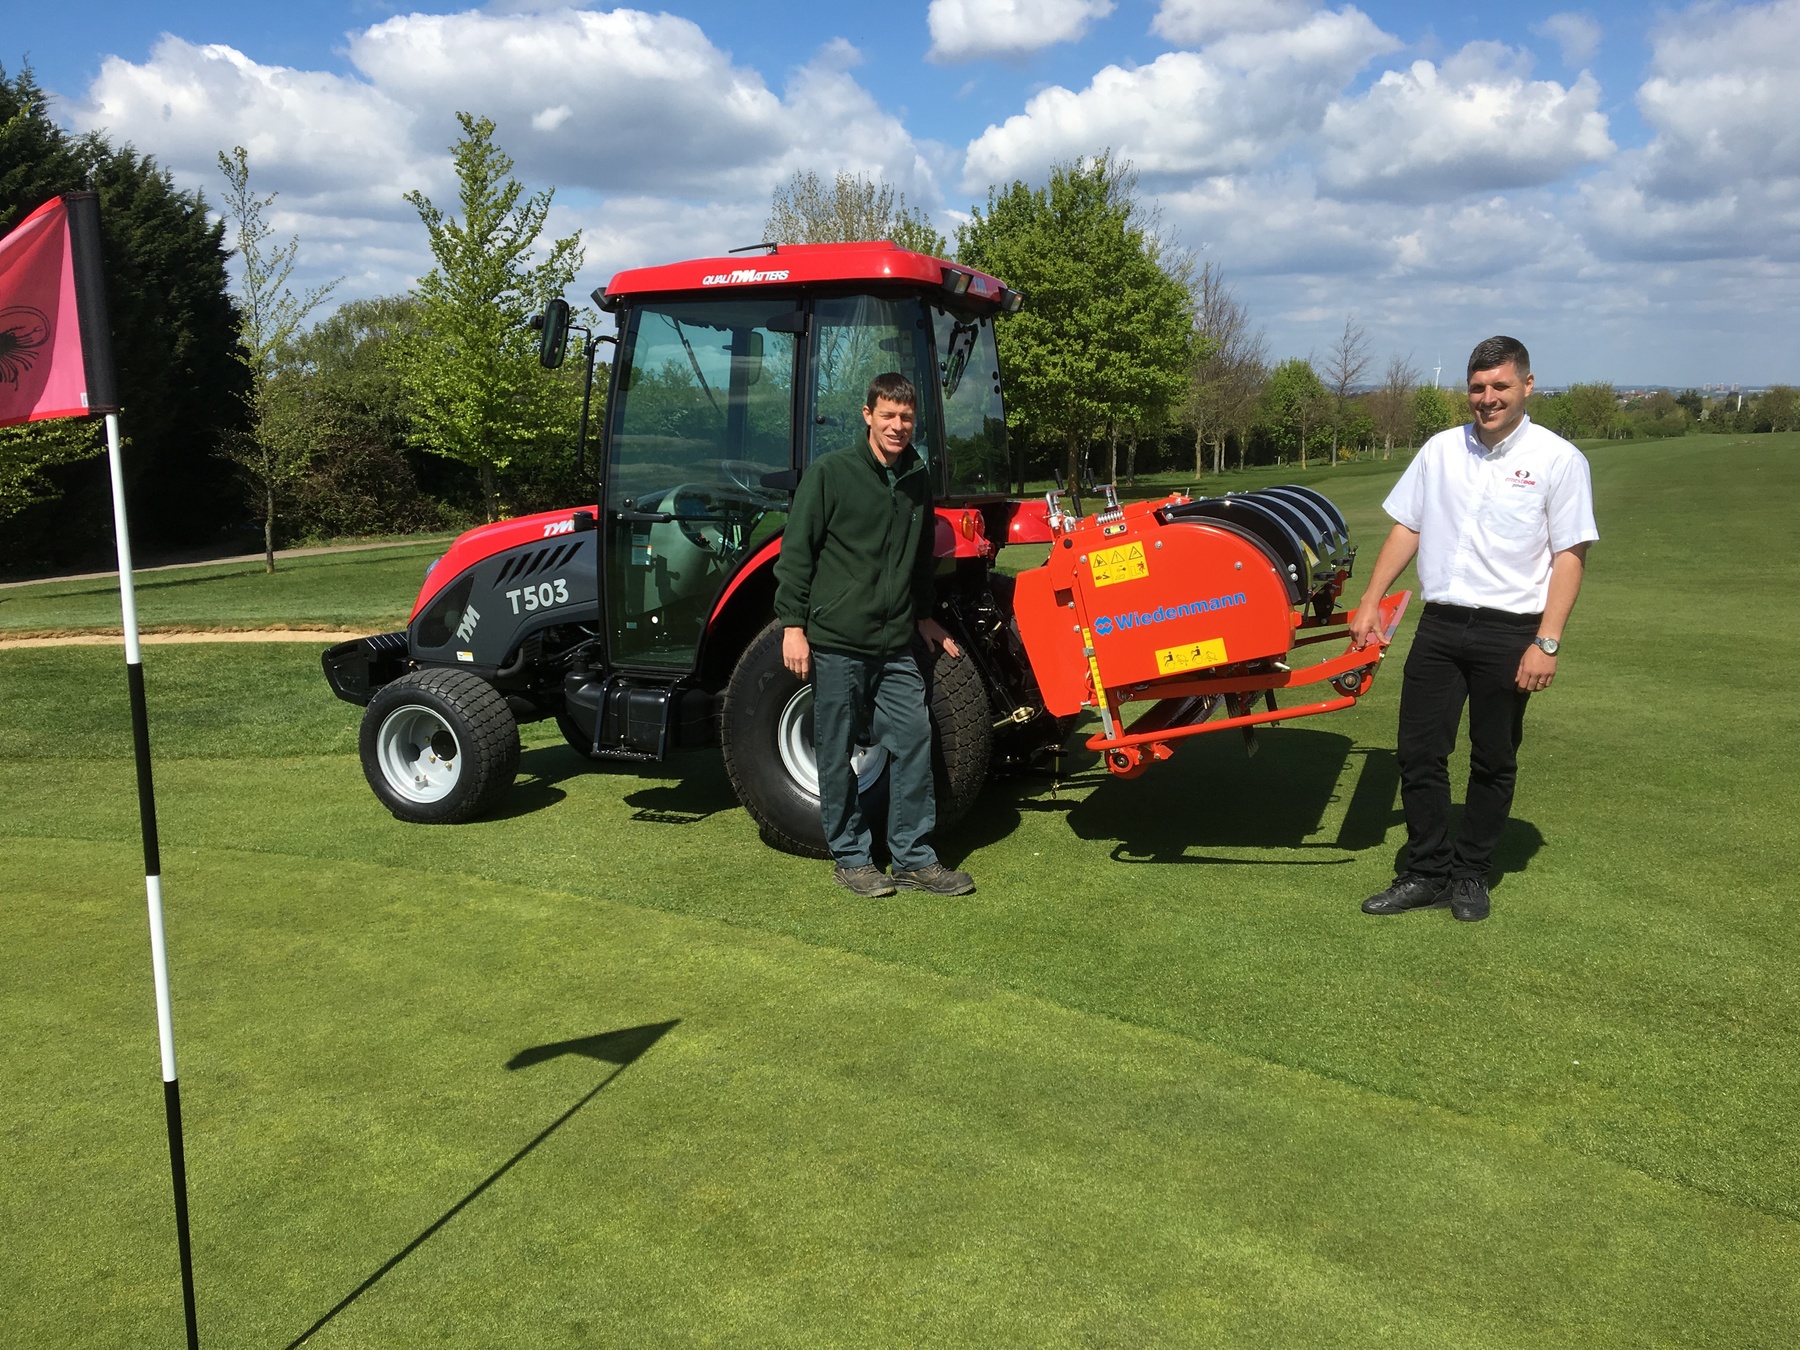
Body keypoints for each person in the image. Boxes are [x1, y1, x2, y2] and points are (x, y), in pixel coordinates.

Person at [1348, 336, 1597, 922]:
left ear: (1527, 386)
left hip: (1511, 632)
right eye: (1478, 387)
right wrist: (1370, 600)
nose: (1488, 398)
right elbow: (1408, 527)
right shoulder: (1439, 450)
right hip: (1440, 626)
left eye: (1500, 386)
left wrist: (1547, 641)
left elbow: (1570, 554)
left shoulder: (1559, 459)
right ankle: (1426, 872)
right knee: (1418, 754)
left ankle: (1470, 874)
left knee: (1493, 758)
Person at [772, 371, 975, 898]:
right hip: (838, 640)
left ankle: (912, 858)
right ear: (868, 415)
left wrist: (924, 616)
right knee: (836, 750)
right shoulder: (831, 473)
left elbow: (919, 559)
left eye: (906, 417)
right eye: (887, 415)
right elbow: (796, 553)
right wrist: (793, 625)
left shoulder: (916, 477)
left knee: (913, 736)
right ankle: (851, 858)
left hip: (896, 643)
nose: (897, 425)